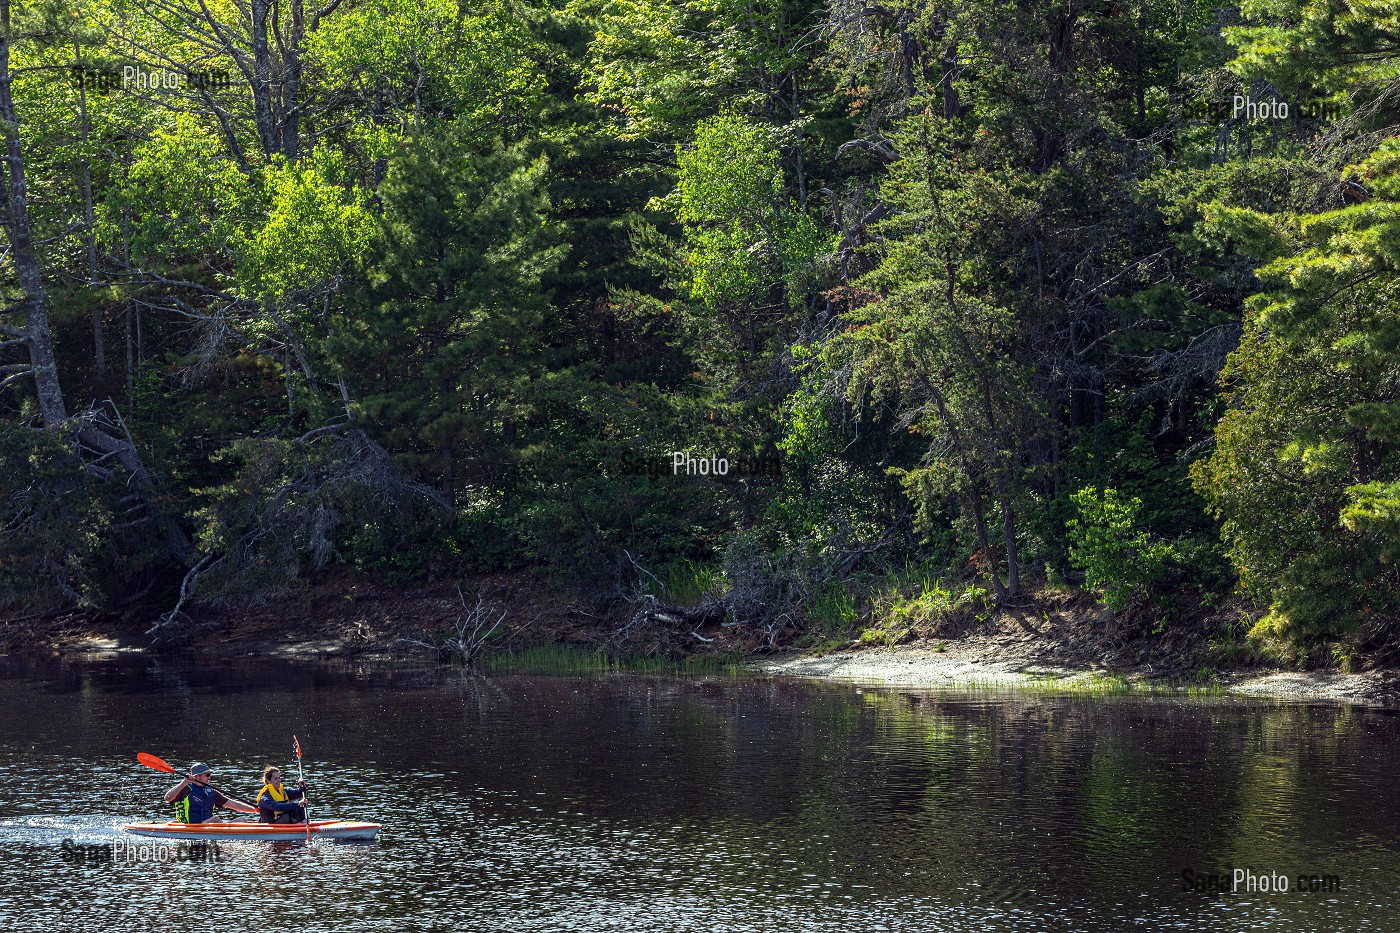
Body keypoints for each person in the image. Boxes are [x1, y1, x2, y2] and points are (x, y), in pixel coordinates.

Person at [164, 762, 258, 823]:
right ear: (198, 776)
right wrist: (184, 782)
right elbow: (167, 798)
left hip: (207, 826)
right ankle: (224, 838)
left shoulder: (211, 792)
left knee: (241, 820)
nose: (209, 777)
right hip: (191, 826)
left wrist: (255, 810)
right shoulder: (185, 789)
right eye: (207, 775)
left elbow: (234, 804)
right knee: (215, 819)